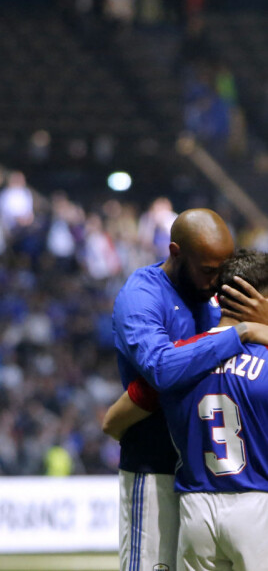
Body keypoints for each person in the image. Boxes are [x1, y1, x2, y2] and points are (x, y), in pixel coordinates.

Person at [110, 208, 268, 571]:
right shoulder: (142, 296)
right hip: (156, 468)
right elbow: (162, 371)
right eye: (209, 270)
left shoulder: (214, 297)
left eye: (223, 270)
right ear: (176, 252)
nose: (217, 282)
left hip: (204, 478)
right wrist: (243, 332)